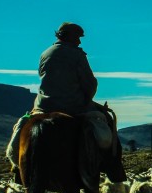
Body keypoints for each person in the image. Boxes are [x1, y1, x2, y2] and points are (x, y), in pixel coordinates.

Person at [6, 22, 102, 174]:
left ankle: (18, 168)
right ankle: (111, 168)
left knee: (22, 125)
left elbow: (42, 76)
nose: (79, 41)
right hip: (73, 105)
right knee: (105, 121)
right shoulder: (77, 54)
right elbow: (89, 82)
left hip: (43, 105)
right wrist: (87, 99)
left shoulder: (45, 53)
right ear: (68, 36)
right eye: (77, 37)